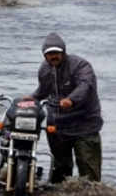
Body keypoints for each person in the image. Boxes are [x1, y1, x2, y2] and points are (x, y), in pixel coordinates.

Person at [26, 33, 103, 184]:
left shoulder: (80, 65)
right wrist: (32, 98)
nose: (53, 56)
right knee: (60, 172)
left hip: (84, 125)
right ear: (44, 55)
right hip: (57, 126)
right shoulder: (44, 70)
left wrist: (71, 100)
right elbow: (43, 91)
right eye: (49, 53)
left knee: (89, 175)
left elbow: (85, 85)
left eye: (56, 52)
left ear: (63, 51)